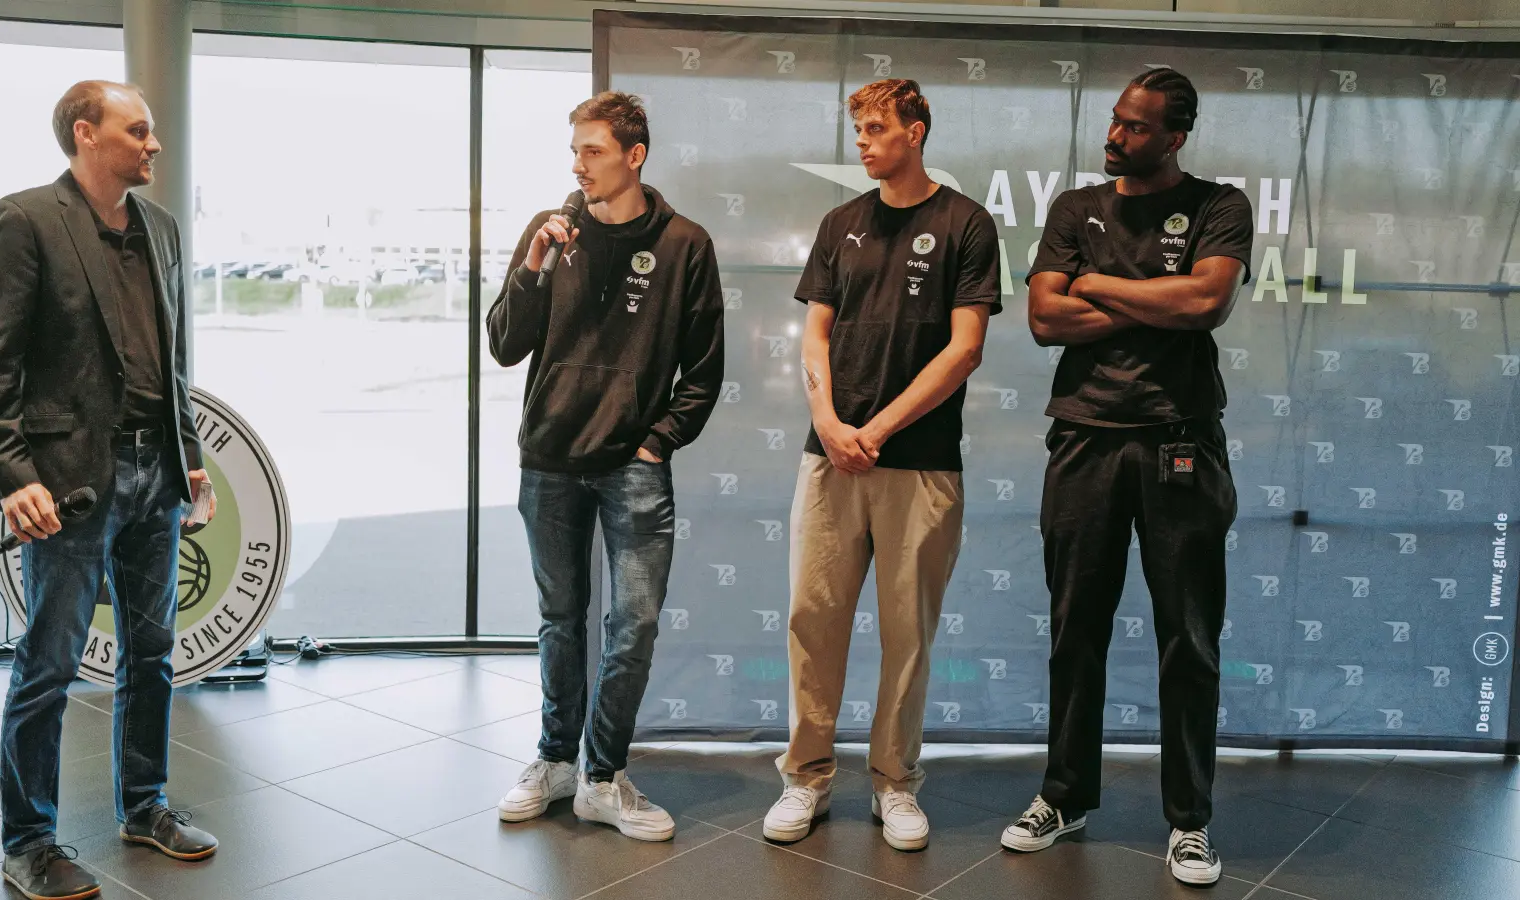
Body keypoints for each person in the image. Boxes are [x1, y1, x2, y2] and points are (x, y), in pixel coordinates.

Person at [997, 68, 1252, 886]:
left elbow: (1206, 303)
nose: (1117, 137)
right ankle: (1064, 795)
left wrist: (1099, 284)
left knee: (1190, 640)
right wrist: (1157, 298)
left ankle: (1190, 822)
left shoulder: (1220, 208)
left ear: (1176, 136)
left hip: (1181, 443)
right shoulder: (1076, 208)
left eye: (1137, 128)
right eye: (1115, 121)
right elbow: (1043, 317)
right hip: (1084, 439)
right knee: (1077, 631)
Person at [0, 80, 219, 900]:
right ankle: (28, 839)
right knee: (50, 664)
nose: (154, 145)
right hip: (69, 483)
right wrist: (13, 474)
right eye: (137, 130)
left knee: (152, 653)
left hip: (156, 476)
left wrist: (188, 457)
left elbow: (172, 359)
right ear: (86, 133)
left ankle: (144, 805)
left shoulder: (162, 230)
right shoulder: (26, 219)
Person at [762, 78, 999, 852]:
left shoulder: (966, 223)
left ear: (916, 131)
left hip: (921, 464)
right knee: (812, 621)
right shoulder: (841, 223)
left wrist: (879, 430)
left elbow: (964, 349)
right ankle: (806, 779)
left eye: (874, 128)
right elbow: (815, 337)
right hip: (830, 458)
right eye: (857, 129)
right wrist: (830, 423)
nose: (862, 142)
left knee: (908, 634)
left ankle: (895, 784)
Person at [486, 91, 725, 842]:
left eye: (593, 150)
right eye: (574, 152)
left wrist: (658, 442)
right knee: (561, 619)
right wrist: (531, 267)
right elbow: (503, 343)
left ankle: (601, 774)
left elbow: (706, 368)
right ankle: (556, 761)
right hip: (548, 461)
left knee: (635, 625)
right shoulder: (551, 232)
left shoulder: (685, 243)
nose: (579, 165)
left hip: (634, 467)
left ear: (634, 155)